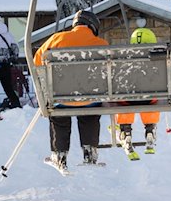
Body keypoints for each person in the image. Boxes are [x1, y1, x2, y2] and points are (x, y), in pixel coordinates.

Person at [34, 9, 109, 170]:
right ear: (93, 26)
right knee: (90, 115)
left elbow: (37, 61)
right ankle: (90, 153)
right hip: (90, 100)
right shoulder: (101, 44)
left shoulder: (56, 39)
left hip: (61, 98)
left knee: (59, 119)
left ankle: (59, 155)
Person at [114, 27, 161, 158]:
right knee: (152, 99)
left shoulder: (125, 59)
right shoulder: (159, 60)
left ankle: (125, 131)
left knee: (123, 101)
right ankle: (150, 129)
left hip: (128, 99)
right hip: (150, 98)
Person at [0, 14, 22, 109]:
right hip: (6, 63)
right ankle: (15, 103)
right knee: (7, 86)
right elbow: (15, 48)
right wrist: (13, 58)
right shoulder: (7, 33)